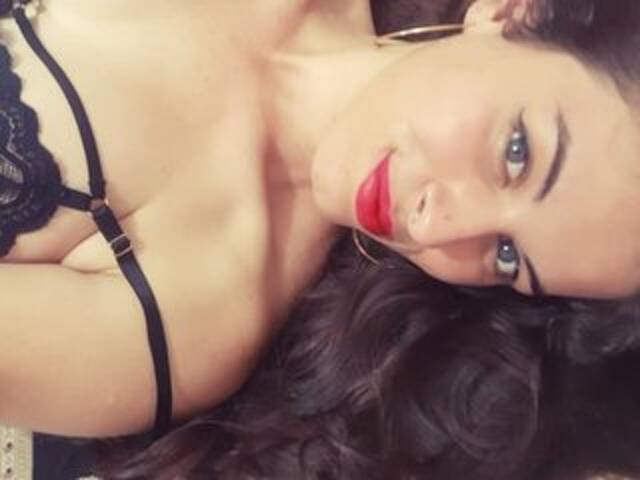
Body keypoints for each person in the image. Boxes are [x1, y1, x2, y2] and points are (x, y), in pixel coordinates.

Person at [2, 0, 640, 477]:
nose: (435, 226)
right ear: (511, 13)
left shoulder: (195, 315)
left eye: (505, 255)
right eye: (516, 154)